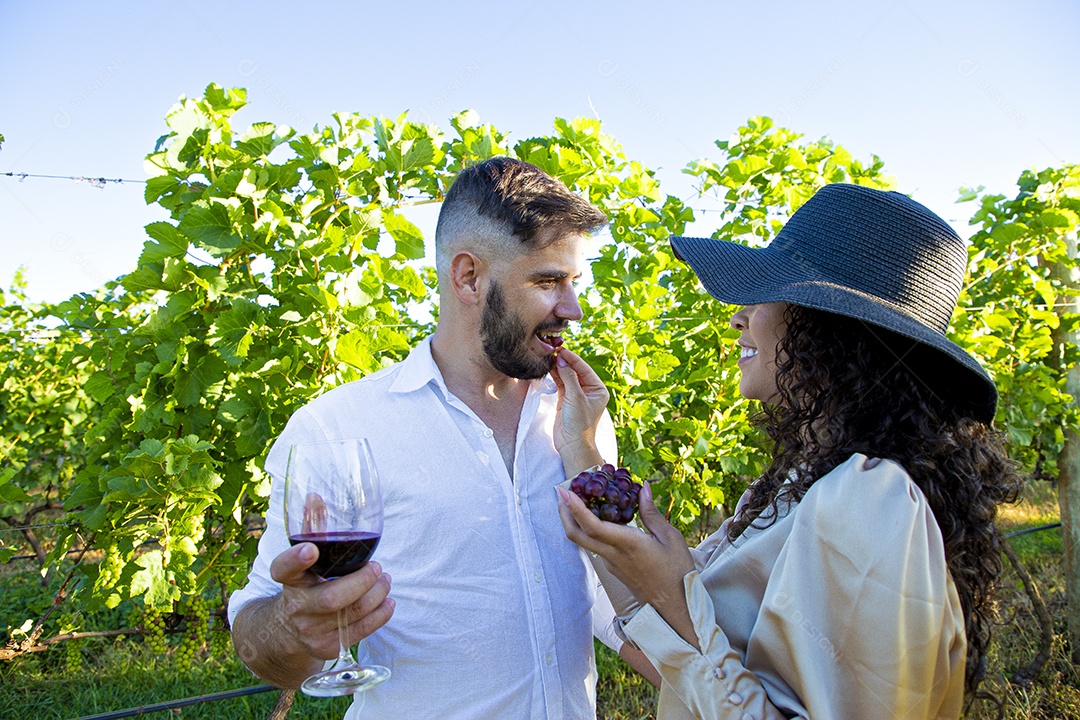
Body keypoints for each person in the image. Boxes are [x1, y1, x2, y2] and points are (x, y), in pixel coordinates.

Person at [551, 183, 1022, 719]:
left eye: (766, 294)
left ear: (831, 326)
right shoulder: (796, 485)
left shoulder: (870, 501)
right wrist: (579, 445)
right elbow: (675, 660)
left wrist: (673, 598)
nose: (738, 316)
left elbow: (690, 641)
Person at [228, 157, 658, 719]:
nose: (572, 309)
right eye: (548, 281)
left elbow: (591, 591)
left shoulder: (577, 417)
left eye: (574, 282)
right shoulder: (337, 428)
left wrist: (701, 680)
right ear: (469, 277)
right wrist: (292, 626)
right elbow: (257, 641)